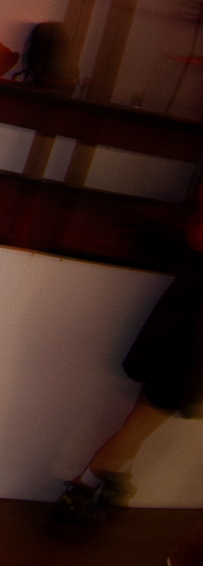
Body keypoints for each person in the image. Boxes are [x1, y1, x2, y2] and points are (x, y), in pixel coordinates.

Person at [51, 202, 203, 527]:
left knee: (140, 421)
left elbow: (194, 236)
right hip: (189, 342)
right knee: (140, 426)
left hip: (182, 330)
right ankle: (82, 492)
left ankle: (108, 482)